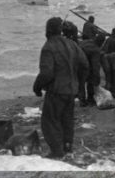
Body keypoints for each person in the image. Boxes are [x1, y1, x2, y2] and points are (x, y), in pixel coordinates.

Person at [33, 17, 88, 159]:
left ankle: (57, 152)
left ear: (48, 30)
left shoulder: (48, 47)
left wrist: (37, 86)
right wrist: (80, 85)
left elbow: (47, 73)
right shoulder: (72, 44)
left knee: (50, 121)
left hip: (57, 91)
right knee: (67, 120)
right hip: (71, 90)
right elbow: (84, 65)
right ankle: (68, 148)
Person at [78, 33, 104, 106]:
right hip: (83, 64)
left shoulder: (85, 42)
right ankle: (90, 99)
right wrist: (97, 78)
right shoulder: (95, 49)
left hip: (75, 63)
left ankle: (82, 100)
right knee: (91, 80)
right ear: (101, 42)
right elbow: (95, 66)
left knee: (81, 83)